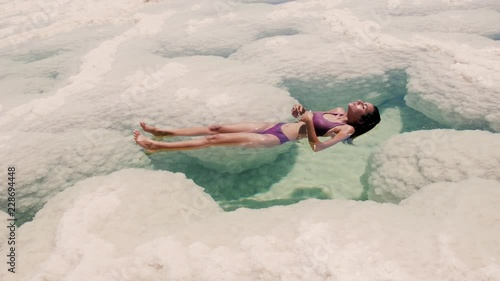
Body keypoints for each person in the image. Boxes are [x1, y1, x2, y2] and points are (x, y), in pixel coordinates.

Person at [134, 100, 381, 153]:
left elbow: (316, 147)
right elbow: (307, 117)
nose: (360, 103)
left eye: (364, 107)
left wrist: (306, 122)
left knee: (212, 141)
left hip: (276, 139)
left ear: (361, 120)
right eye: (364, 102)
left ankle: (157, 146)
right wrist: (300, 113)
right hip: (277, 126)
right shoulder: (337, 111)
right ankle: (165, 132)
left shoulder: (346, 129)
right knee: (216, 128)